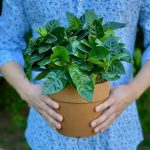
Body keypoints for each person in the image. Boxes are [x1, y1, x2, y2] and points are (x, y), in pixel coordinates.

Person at [0, 0, 150, 149]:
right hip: (47, 130)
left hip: (118, 133)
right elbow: (5, 45)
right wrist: (25, 90)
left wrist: (133, 91)